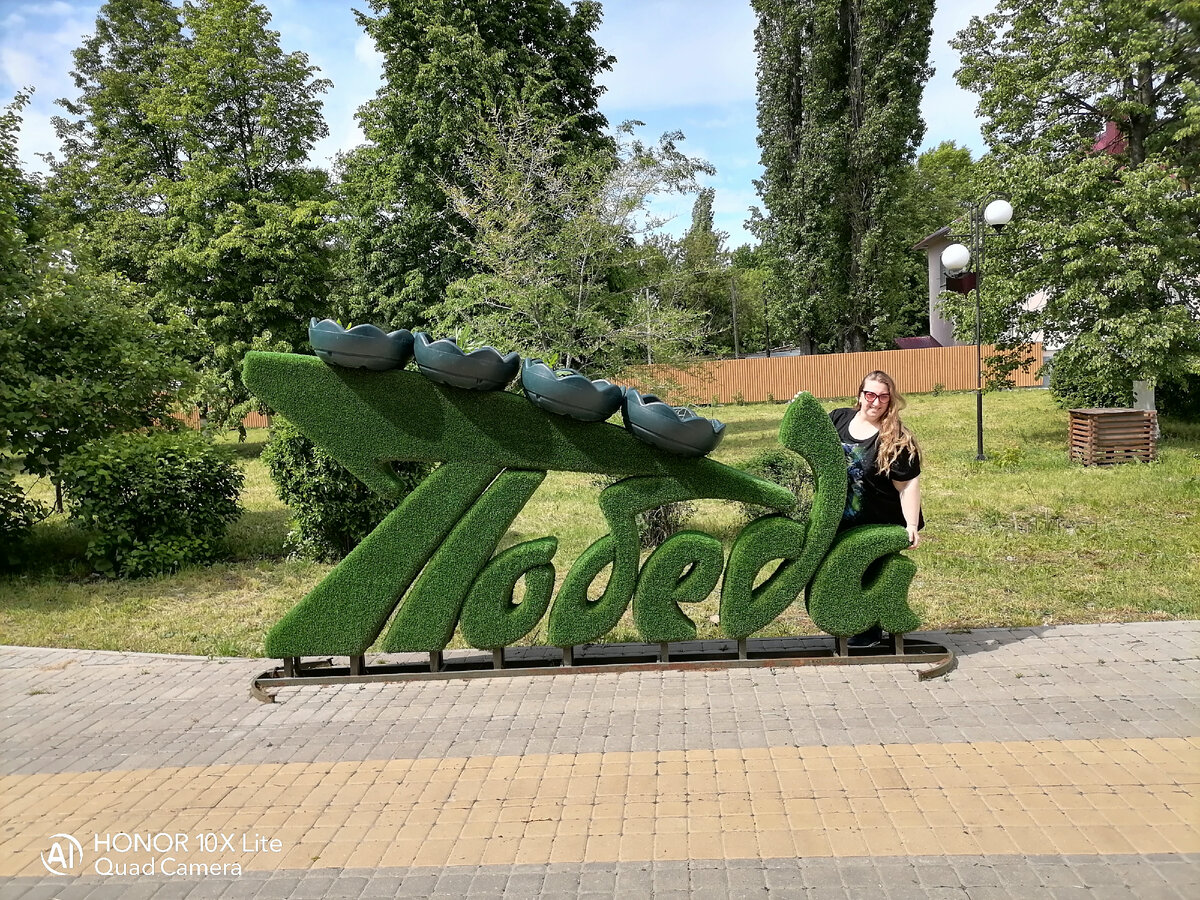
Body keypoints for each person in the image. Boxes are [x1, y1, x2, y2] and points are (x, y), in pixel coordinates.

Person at [828, 370, 924, 647]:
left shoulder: (897, 437)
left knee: (872, 575)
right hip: (840, 520)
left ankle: (869, 632)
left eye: (883, 396)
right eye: (870, 395)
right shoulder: (838, 419)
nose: (876, 402)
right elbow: (811, 440)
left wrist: (912, 525)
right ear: (859, 395)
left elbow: (907, 484)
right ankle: (845, 624)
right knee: (841, 574)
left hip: (879, 520)